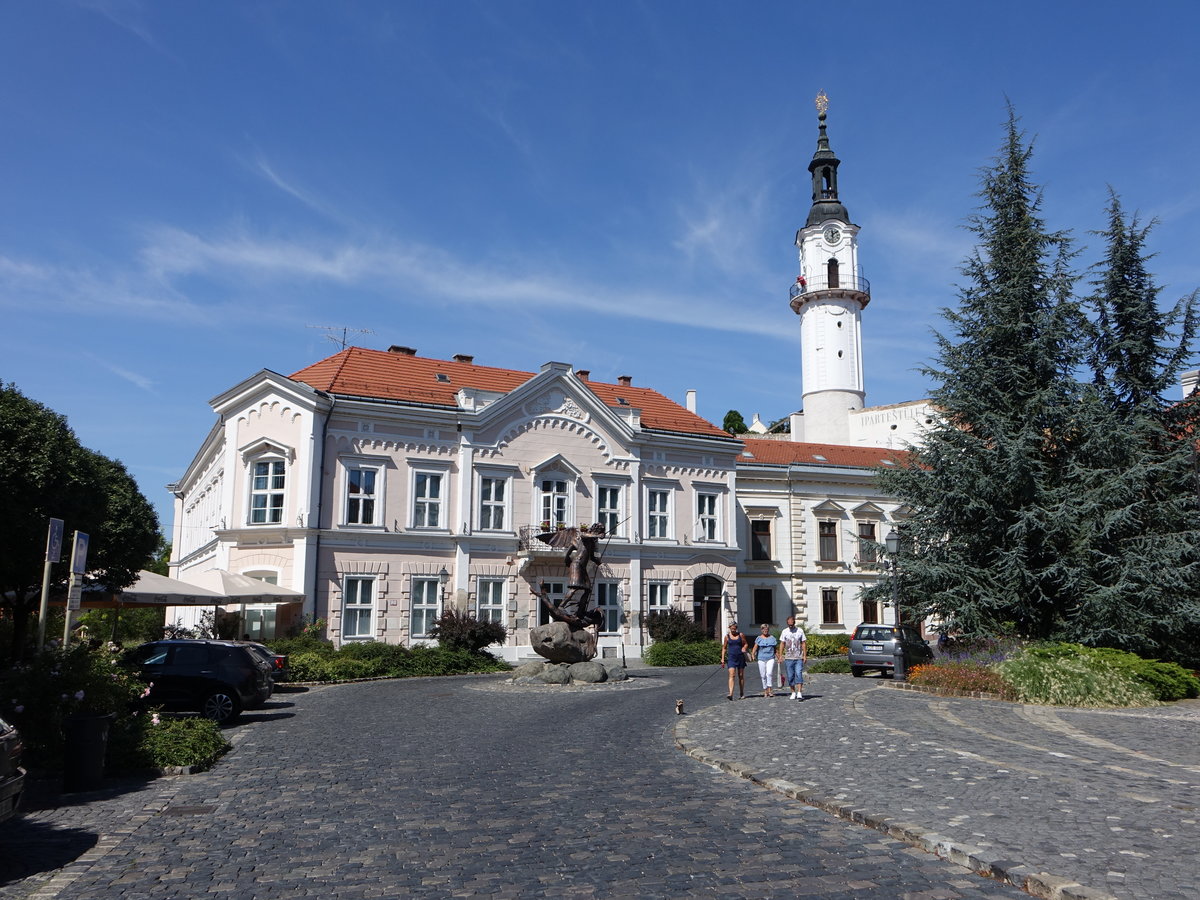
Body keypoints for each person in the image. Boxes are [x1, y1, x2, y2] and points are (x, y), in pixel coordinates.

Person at [778, 614, 807, 701]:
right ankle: (793, 692)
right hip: (788, 657)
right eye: (789, 624)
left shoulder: (800, 631)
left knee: (798, 673)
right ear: (787, 624)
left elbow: (803, 643)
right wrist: (780, 655)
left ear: (794, 623)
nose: (790, 626)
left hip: (798, 657)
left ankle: (799, 692)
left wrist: (805, 655)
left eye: (792, 624)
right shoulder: (785, 631)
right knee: (790, 676)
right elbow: (782, 643)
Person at [720, 622, 750, 700]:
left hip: (740, 657)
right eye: (732, 628)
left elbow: (746, 644)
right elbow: (724, 648)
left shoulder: (741, 635)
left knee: (740, 675)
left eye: (734, 628)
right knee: (732, 674)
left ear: (736, 628)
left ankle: (741, 693)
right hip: (731, 658)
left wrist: (744, 648)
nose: (733, 630)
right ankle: (731, 693)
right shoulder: (727, 637)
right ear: (729, 628)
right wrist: (722, 659)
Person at [751, 623, 778, 698]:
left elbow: (775, 649)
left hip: (770, 658)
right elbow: (755, 647)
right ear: (761, 630)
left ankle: (770, 689)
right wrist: (753, 654)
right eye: (763, 629)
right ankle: (765, 690)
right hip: (761, 658)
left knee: (769, 673)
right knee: (763, 675)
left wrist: (779, 657)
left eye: (766, 629)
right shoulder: (759, 638)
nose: (765, 631)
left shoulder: (772, 638)